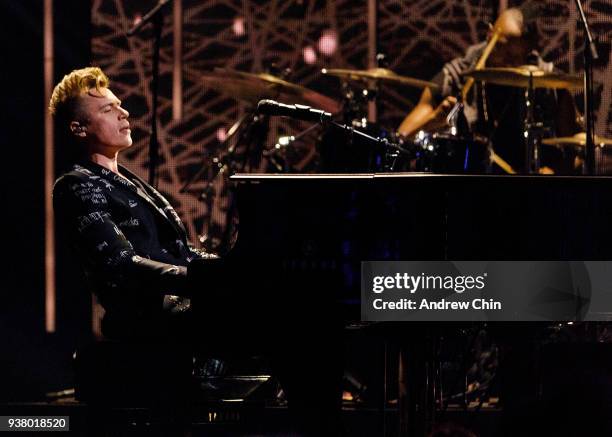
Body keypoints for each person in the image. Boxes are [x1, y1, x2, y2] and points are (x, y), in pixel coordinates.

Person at [51, 66, 211, 341]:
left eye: (119, 105)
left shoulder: (130, 182)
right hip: (147, 328)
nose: (123, 113)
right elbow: (121, 264)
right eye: (107, 110)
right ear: (79, 128)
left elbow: (178, 251)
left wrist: (227, 270)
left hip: (181, 313)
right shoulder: (75, 185)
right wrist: (206, 281)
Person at [398, 4, 582, 173]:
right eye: (503, 48)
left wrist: (556, 172)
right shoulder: (456, 78)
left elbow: (577, 149)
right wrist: (433, 119)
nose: (507, 61)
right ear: (489, 34)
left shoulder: (550, 85)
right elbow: (402, 137)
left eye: (515, 56)